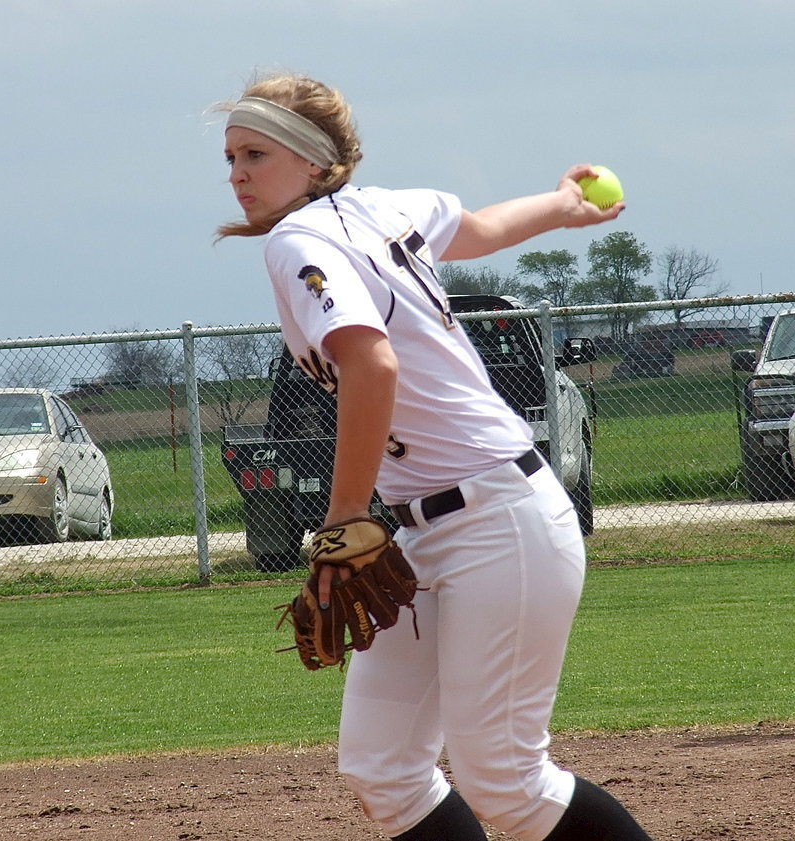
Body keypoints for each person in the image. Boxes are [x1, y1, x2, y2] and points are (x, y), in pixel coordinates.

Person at [215, 73, 653, 841]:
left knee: (508, 783)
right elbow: (477, 228)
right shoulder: (383, 208)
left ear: (313, 160)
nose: (236, 175)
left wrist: (343, 518)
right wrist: (561, 205)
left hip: (498, 520)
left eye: (256, 154)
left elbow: (371, 363)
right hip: (430, 530)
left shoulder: (298, 240)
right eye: (230, 157)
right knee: (384, 769)